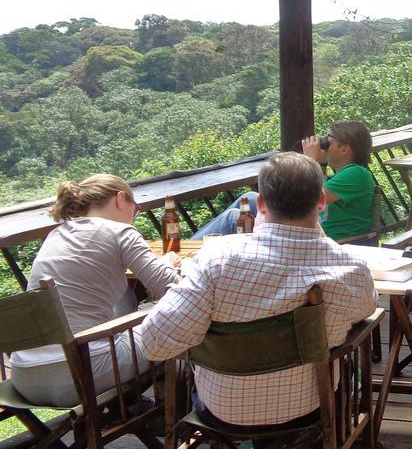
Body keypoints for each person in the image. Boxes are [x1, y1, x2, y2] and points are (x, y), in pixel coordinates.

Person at [140, 151, 378, 427]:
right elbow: (367, 308)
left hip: (221, 410)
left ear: (261, 204)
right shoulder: (349, 268)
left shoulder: (217, 259)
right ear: (322, 201)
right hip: (307, 406)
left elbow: (153, 344)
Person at [10, 175, 181, 407]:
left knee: (124, 316)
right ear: (121, 199)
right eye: (135, 209)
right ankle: (174, 416)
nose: (133, 217)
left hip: (24, 377)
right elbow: (172, 291)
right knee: (181, 324)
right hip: (77, 376)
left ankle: (136, 409)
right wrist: (167, 265)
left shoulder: (56, 234)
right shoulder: (121, 232)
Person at [190, 121, 376, 242]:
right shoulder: (345, 175)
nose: (323, 144)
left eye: (328, 141)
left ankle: (184, 252)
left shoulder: (356, 174)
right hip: (310, 230)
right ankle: (186, 248)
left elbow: (306, 200)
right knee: (249, 198)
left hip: (320, 238)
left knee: (234, 217)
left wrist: (311, 161)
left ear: (344, 149)